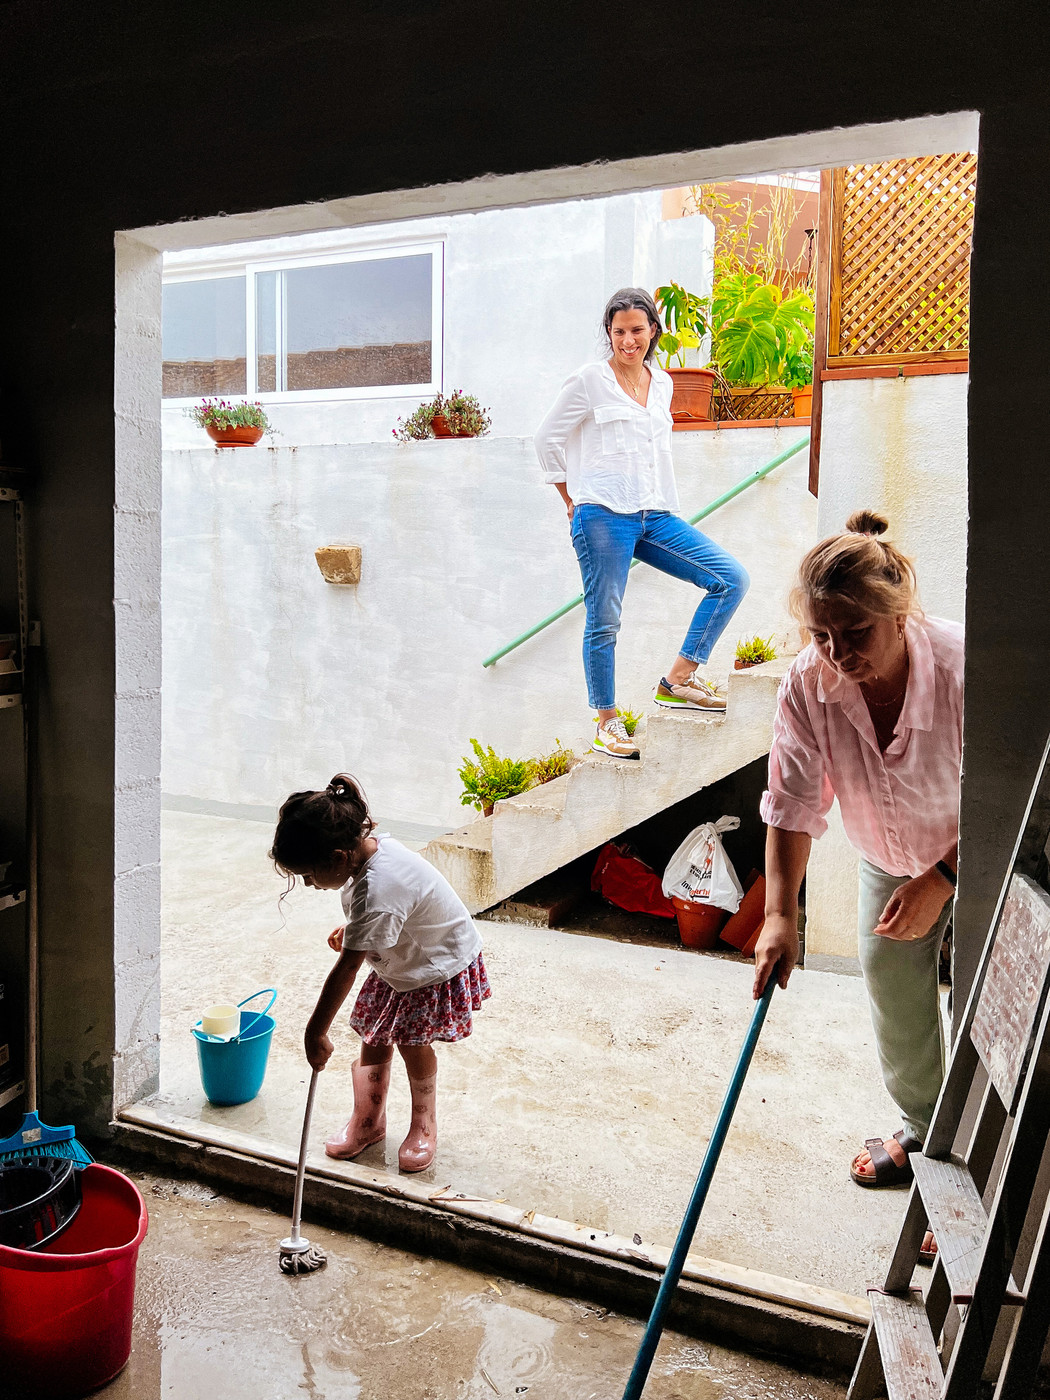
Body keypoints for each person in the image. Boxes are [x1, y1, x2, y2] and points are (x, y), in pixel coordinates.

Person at [753, 511, 961, 1249]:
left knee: (991, 1003)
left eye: (856, 634)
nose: (838, 654)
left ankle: (980, 1173)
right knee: (888, 973)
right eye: (821, 636)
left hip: (985, 854)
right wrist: (780, 915)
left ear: (897, 613)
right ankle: (931, 1135)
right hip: (889, 853)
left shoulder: (965, 665)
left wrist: (943, 875)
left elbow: (1021, 794)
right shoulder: (809, 685)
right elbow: (792, 802)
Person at [534, 287, 750, 760]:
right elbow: (546, 438)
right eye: (618, 332)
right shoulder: (590, 380)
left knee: (730, 578)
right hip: (602, 514)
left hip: (655, 513)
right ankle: (607, 720)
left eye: (636, 330)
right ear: (608, 334)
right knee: (605, 619)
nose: (628, 341)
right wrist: (569, 498)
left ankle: (678, 679)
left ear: (653, 330)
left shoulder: (665, 383)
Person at [271, 773, 491, 1173]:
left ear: (338, 857)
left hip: (431, 966)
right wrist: (358, 928)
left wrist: (315, 1031)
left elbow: (348, 967)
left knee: (411, 1043)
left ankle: (424, 1123)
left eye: (308, 875)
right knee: (375, 1036)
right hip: (400, 958)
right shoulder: (371, 851)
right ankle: (368, 1121)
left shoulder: (380, 890)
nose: (307, 883)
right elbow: (384, 911)